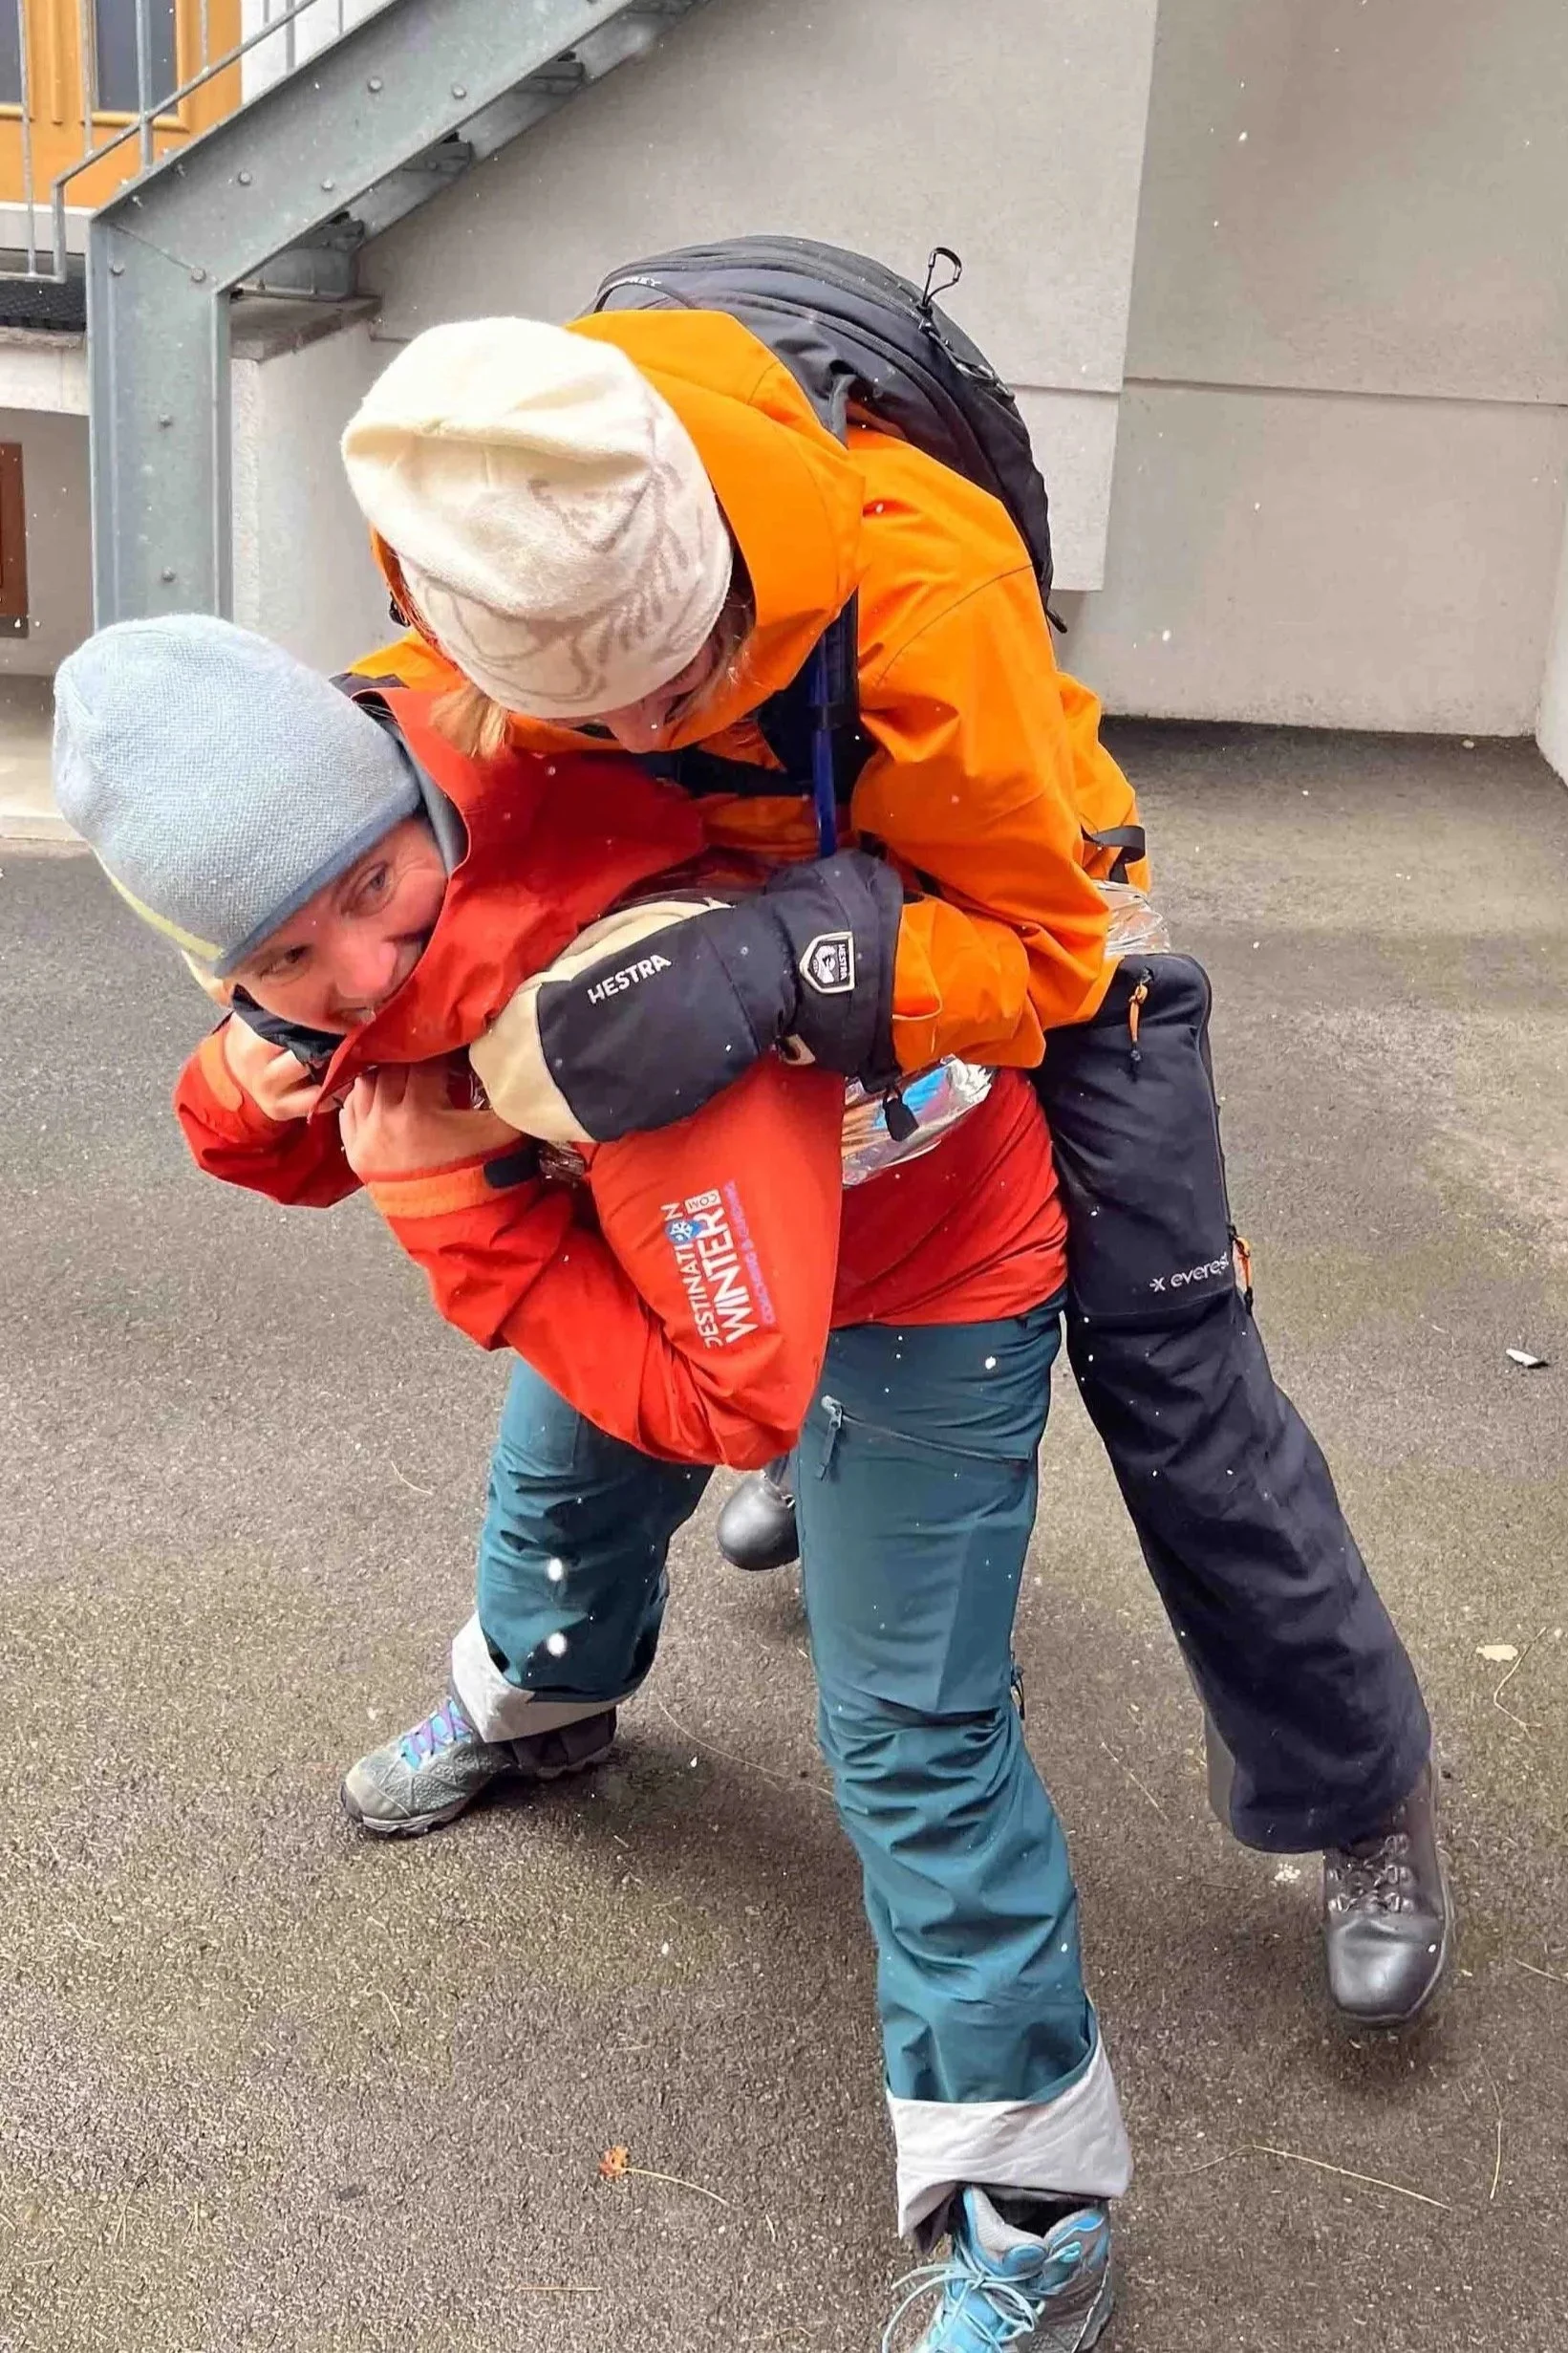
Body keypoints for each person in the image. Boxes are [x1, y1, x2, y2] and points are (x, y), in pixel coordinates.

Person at [335, 302, 1451, 2034]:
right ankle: (544, 1684)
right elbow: (421, 778)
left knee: (1172, 1366)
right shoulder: (483, 539)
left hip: (1016, 923)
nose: (643, 723)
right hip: (720, 963)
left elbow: (1049, 961)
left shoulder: (922, 590)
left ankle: (1358, 1779)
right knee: (639, 1298)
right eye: (593, 704)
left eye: (678, 681)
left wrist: (804, 963)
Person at [55, 613, 1135, 2353]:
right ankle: (546, 1695)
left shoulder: (598, 950)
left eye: (368, 886)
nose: (357, 953)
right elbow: (326, 1067)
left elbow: (730, 1392)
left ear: (417, 792)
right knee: (564, 1485)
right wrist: (249, 1091)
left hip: (924, 1263)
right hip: (665, 1226)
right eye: (281, 949)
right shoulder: (387, 820)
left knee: (912, 1728)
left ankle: (1035, 2192)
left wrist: (453, 1207)